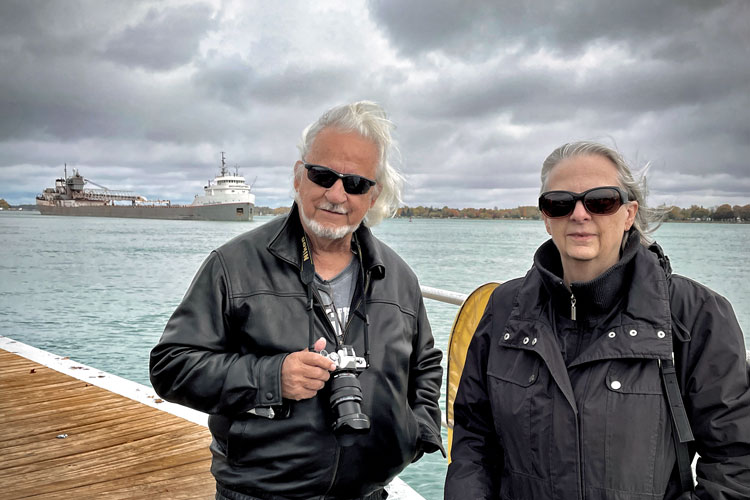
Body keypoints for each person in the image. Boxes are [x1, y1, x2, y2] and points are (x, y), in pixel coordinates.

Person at [150, 101, 444, 500]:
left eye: (356, 183)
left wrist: (418, 434)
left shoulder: (398, 277)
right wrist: (272, 377)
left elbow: (424, 363)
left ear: (372, 197)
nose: (336, 194)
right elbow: (171, 367)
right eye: (322, 175)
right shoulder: (233, 265)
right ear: (298, 177)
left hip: (368, 492)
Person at [445, 141, 750, 499]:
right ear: (545, 217)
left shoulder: (694, 315)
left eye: (601, 201)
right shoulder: (505, 309)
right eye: (560, 203)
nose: (579, 214)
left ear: (629, 213)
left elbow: (735, 462)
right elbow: (474, 439)